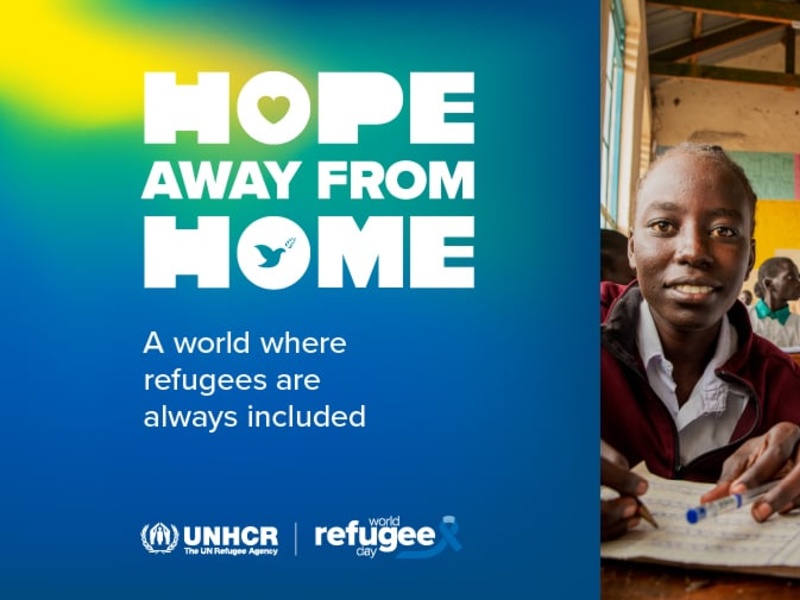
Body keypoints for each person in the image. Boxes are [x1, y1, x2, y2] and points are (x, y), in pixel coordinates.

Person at [600, 143, 800, 541]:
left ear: (749, 259)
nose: (693, 251)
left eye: (723, 231)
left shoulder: (780, 382)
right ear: (633, 248)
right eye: (663, 226)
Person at [748, 256, 800, 348]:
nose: (798, 283)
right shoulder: (745, 317)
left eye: (798, 277)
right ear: (768, 284)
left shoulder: (797, 324)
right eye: (790, 277)